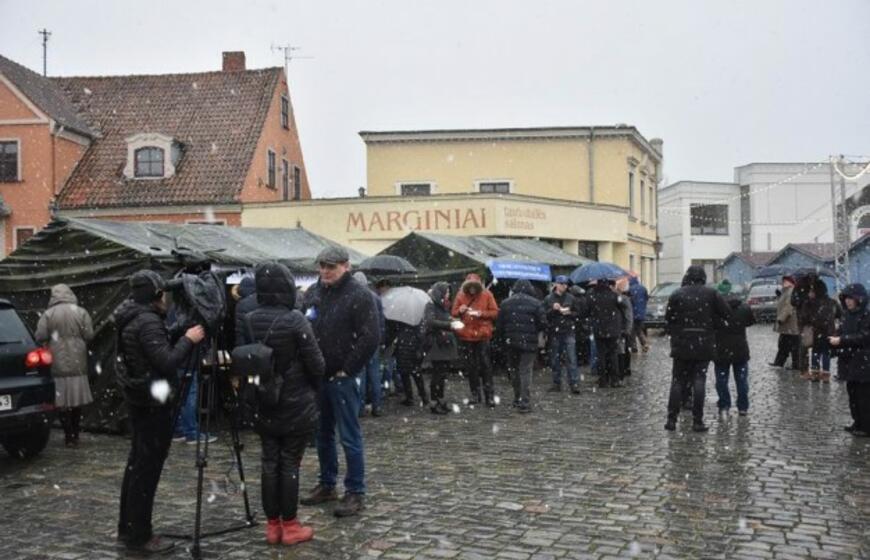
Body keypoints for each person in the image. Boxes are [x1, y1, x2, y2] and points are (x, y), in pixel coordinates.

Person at [114, 270, 205, 555]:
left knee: (136, 465)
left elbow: (154, 349)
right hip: (152, 402)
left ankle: (128, 528)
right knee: (146, 469)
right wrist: (189, 339)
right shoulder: (147, 321)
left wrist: (177, 332)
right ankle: (140, 534)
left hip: (140, 399)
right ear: (155, 295)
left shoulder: (131, 316)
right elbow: (166, 361)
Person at [242, 262, 325, 545]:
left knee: (269, 461)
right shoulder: (296, 319)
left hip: (264, 398)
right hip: (295, 401)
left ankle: (272, 525)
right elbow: (317, 364)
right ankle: (290, 526)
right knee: (289, 462)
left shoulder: (250, 318)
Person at [300, 246, 379, 518]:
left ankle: (355, 491)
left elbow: (371, 337)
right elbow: (304, 326)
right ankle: (327, 484)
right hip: (319, 376)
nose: (324, 271)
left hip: (342, 378)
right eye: (321, 265)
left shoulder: (359, 296)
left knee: (349, 436)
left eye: (330, 266)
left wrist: (348, 369)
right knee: (322, 434)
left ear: (345, 266)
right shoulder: (314, 292)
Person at [663, 265, 731, 433]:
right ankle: (697, 421)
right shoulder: (711, 294)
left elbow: (669, 317)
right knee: (699, 380)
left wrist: (679, 327)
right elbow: (726, 313)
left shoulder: (677, 293)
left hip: (682, 343)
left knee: (677, 381)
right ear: (703, 277)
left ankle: (671, 419)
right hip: (703, 343)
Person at [34, 284, 94, 448]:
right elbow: (89, 334)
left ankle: (68, 435)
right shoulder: (80, 312)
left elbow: (40, 336)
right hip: (78, 360)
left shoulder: (48, 314)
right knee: (77, 400)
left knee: (61, 401)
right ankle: (75, 433)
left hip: (57, 360)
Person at [496, 279, 547, 412]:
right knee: (525, 370)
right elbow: (543, 323)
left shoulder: (506, 303)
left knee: (514, 370)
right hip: (529, 343)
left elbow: (499, 325)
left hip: (511, 342)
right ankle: (525, 401)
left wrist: (503, 339)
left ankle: (517, 397)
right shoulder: (536, 303)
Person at [451, 273, 500, 407]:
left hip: (483, 335)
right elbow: (453, 313)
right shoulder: (461, 295)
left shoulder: (487, 295)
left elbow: (495, 312)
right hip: (466, 336)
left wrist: (481, 314)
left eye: (474, 287)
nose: (472, 289)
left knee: (485, 365)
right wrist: (460, 310)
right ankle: (475, 394)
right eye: (470, 287)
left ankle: (489, 396)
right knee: (471, 367)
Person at [829, 283, 870, 437]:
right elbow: (841, 332)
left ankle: (866, 426)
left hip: (864, 362)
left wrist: (842, 340)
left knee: (864, 397)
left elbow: (864, 337)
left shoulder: (867, 315)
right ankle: (857, 422)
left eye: (851, 298)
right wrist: (833, 341)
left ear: (859, 299)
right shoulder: (847, 315)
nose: (848, 301)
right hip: (849, 362)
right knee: (852, 395)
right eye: (846, 298)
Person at [713, 280, 755, 418]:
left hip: (721, 348)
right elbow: (750, 322)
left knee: (721, 380)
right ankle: (743, 407)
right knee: (742, 380)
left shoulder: (715, 308)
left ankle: (724, 404)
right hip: (740, 348)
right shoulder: (743, 307)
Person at [421, 281, 460, 414]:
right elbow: (430, 322)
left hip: (445, 344)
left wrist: (452, 321)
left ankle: (441, 399)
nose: (448, 294)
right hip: (436, 344)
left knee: (443, 374)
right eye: (447, 292)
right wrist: (449, 325)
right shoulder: (430, 305)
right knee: (437, 374)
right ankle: (434, 402)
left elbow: (444, 319)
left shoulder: (443, 306)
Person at [353, 272, 385, 417]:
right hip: (373, 342)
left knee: (361, 375)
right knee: (374, 375)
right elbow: (381, 322)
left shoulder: (353, 298)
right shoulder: (376, 298)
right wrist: (381, 339)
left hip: (358, 342)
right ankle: (377, 407)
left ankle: (360, 408)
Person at [543, 275, 579, 393]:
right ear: (556, 284)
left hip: (568, 331)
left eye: (565, 284)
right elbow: (544, 315)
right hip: (555, 332)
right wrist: (553, 309)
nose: (564, 286)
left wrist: (569, 313)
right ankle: (556, 383)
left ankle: (574, 384)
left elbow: (578, 313)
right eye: (562, 284)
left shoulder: (571, 298)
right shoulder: (549, 299)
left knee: (571, 359)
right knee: (555, 359)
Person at [586, 278, 623, 388]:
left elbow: (587, 311)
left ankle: (603, 380)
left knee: (601, 355)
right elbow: (621, 308)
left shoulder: (592, 296)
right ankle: (615, 380)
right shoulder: (614, 296)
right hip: (613, 330)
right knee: (613, 354)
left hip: (599, 330)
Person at [805, 279, 840, 382]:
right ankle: (825, 374)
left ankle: (815, 374)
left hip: (816, 331)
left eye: (812, 291)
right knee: (826, 352)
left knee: (816, 351)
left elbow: (806, 317)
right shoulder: (832, 302)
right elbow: (839, 314)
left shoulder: (811, 303)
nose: (810, 293)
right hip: (829, 331)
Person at [770, 276, 800, 369]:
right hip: (788, 326)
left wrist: (781, 319)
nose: (783, 282)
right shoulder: (786, 291)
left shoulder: (791, 291)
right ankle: (779, 362)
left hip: (790, 324)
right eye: (783, 281)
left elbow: (788, 307)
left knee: (792, 346)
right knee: (784, 345)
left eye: (786, 281)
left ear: (791, 282)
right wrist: (780, 296)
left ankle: (796, 365)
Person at [616, 278, 634, 380]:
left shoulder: (623, 299)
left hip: (623, 328)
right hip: (624, 328)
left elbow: (628, 315)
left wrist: (627, 329)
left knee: (623, 350)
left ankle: (623, 370)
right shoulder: (625, 298)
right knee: (625, 349)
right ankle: (625, 369)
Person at [628, 274, 650, 352]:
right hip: (641, 313)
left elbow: (629, 302)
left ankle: (634, 347)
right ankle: (644, 343)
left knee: (632, 331)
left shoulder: (629, 289)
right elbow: (647, 299)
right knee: (639, 330)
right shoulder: (643, 288)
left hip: (633, 313)